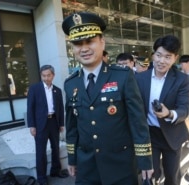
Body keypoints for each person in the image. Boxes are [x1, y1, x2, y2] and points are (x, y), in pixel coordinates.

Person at [62, 12, 153, 185]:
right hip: (86, 166)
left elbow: (137, 121)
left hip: (120, 165)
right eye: (77, 43)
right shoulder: (70, 84)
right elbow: (72, 126)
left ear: (102, 42)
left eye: (90, 41)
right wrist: (72, 158)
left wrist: (144, 160)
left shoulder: (123, 77)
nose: (84, 48)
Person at [135, 35, 189, 185]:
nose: (162, 61)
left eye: (168, 57)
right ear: (153, 55)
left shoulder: (182, 79)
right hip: (149, 135)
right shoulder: (140, 78)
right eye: (158, 55)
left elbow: (184, 109)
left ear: (175, 58)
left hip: (172, 134)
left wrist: (169, 113)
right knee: (149, 175)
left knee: (172, 176)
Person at [27, 65, 66, 185]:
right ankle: (42, 177)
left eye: (48, 75)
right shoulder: (35, 89)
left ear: (53, 75)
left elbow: (60, 108)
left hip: (54, 122)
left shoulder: (57, 90)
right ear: (41, 75)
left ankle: (55, 171)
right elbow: (30, 108)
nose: (46, 78)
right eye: (44, 75)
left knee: (56, 148)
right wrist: (32, 126)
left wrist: (61, 124)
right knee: (41, 151)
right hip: (40, 124)